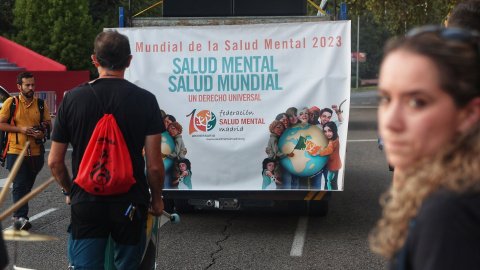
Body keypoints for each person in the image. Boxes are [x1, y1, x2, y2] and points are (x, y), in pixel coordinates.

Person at [48, 30, 166, 269]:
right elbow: (153, 164)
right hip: (130, 201)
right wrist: (157, 199)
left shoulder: (72, 99)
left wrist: (71, 190)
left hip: (86, 201)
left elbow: (54, 162)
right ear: (129, 61)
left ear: (95, 59)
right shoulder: (146, 100)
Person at [369, 26, 480, 269]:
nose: (390, 122)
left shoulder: (449, 215)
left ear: (468, 113)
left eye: (416, 102)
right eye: (386, 99)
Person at [0, 72, 52, 231]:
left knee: (26, 187)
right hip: (15, 151)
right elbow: (1, 124)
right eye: (27, 85)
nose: (31, 88)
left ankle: (20, 213)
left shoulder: (41, 104)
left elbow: (48, 126)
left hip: (36, 153)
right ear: (19, 86)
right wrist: (21, 129)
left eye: (32, 85)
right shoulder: (11, 102)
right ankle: (20, 218)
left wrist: (41, 133)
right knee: (19, 184)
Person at [309, 121, 342, 190]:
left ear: (334, 130)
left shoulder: (333, 142)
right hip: (334, 165)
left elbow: (329, 150)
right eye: (325, 131)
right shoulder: (334, 138)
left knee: (330, 182)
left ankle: (331, 194)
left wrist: (317, 153)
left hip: (334, 166)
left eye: (329, 131)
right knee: (331, 181)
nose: (327, 134)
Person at [266, 120, 294, 189]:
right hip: (275, 165)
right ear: (272, 129)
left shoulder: (275, 138)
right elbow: (277, 153)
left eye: (282, 129)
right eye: (278, 127)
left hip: (275, 164)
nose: (280, 130)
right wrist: (288, 154)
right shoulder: (274, 139)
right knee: (278, 183)